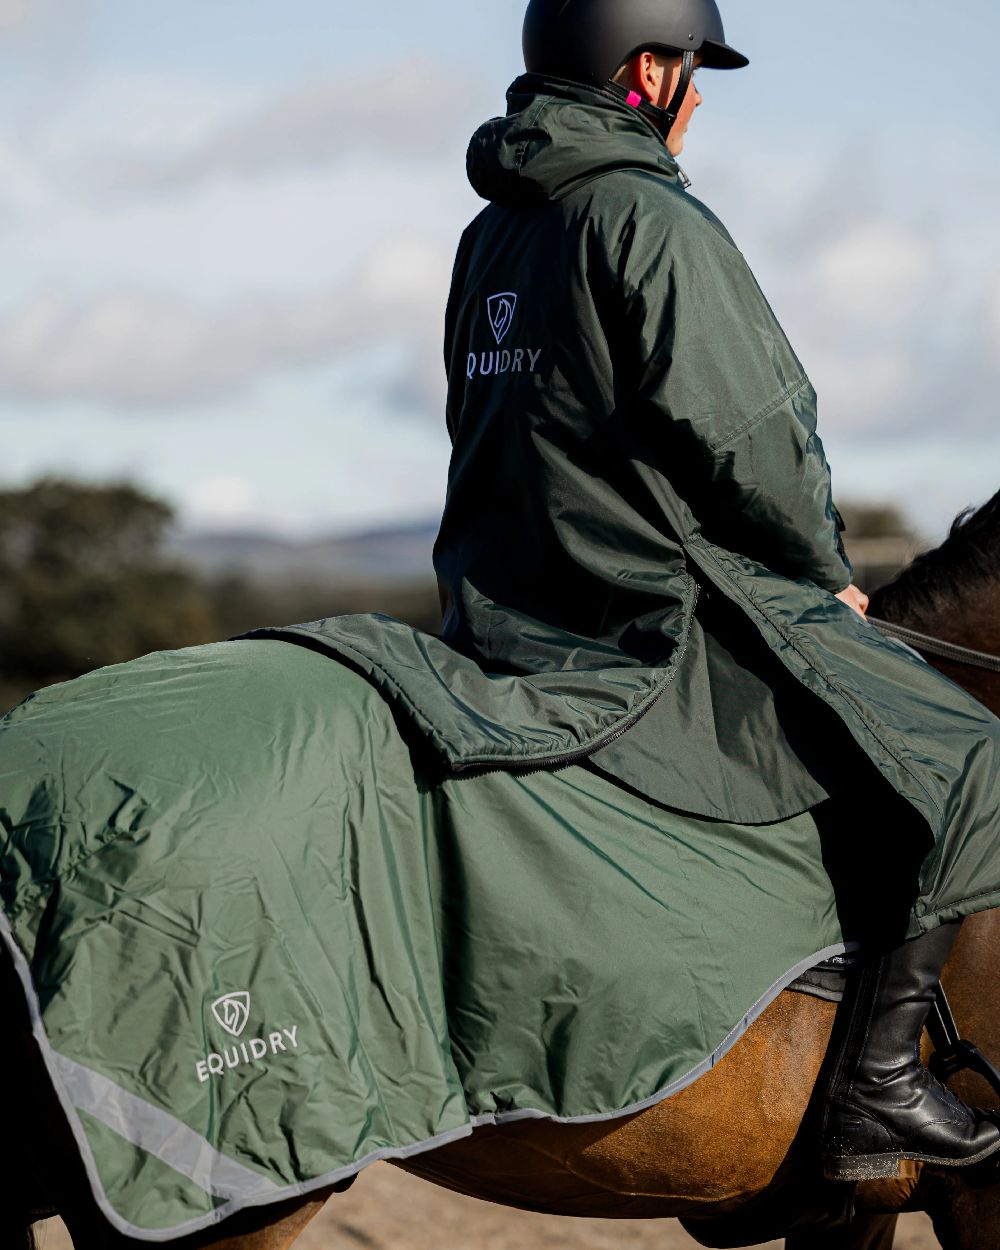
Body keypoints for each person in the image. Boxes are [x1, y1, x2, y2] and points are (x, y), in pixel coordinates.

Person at [428, 0, 1000, 1181]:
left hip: (504, 610)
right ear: (647, 72)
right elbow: (752, 434)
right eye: (693, 70)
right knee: (970, 757)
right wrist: (823, 571)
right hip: (649, 613)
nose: (699, 99)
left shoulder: (495, 232)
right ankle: (880, 1085)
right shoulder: (647, 215)